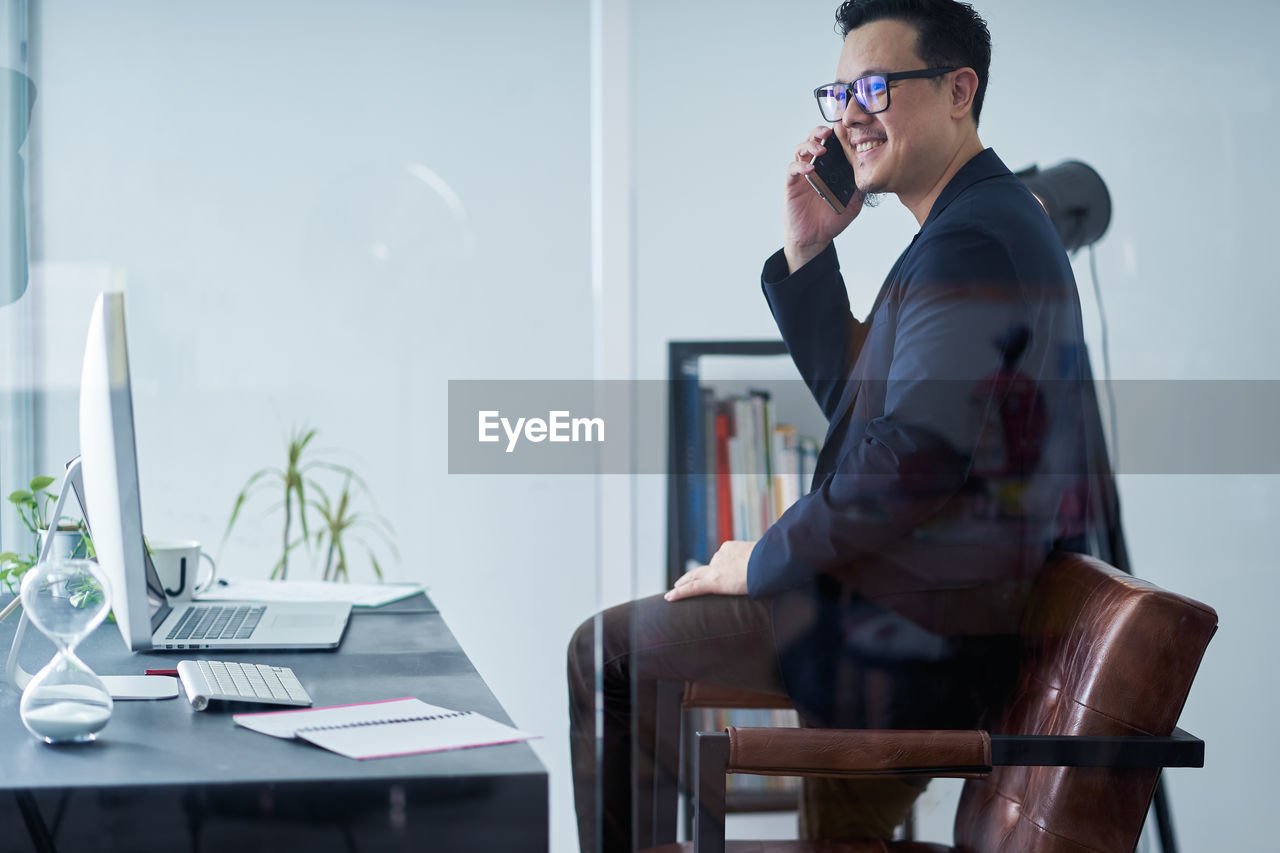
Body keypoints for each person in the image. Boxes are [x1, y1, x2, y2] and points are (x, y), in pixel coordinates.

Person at [568, 1, 1103, 849]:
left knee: (610, 654)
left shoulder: (972, 243)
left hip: (909, 637)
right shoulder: (974, 226)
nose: (851, 115)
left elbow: (910, 459)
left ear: (959, 90)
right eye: (841, 91)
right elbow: (875, 411)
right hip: (912, 615)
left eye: (878, 87)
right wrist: (812, 251)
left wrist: (765, 557)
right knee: (623, 652)